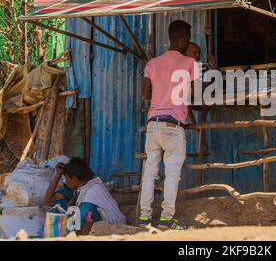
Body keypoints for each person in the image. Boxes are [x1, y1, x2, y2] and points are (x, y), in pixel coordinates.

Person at [139, 20, 199, 230]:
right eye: (188, 40)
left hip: (153, 125)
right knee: (172, 174)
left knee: (149, 172)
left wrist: (162, 95)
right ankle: (166, 218)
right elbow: (198, 93)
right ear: (182, 39)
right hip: (173, 127)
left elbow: (145, 94)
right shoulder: (190, 63)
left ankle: (144, 217)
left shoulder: (152, 63)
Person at [44, 158, 126, 235]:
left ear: (74, 178)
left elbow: (78, 222)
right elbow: (48, 199)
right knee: (60, 204)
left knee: (87, 211)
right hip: (84, 222)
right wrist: (58, 174)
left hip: (112, 226)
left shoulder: (93, 190)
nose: (66, 182)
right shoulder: (78, 188)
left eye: (66, 178)